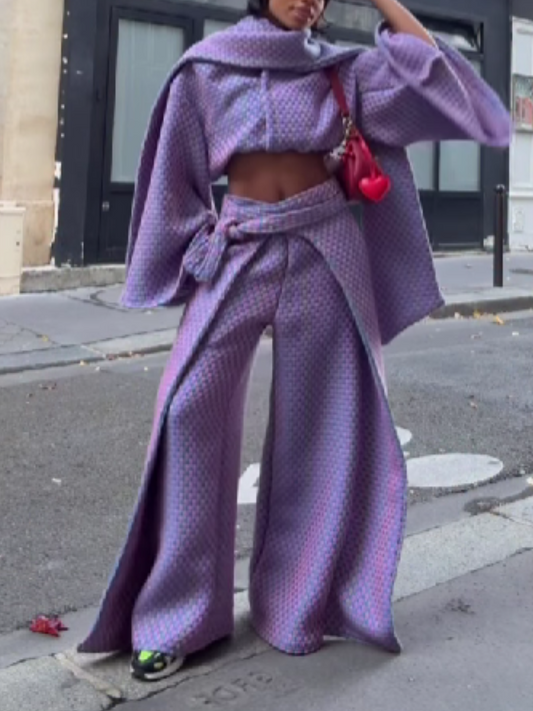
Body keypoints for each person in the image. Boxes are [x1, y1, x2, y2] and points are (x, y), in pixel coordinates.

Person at [79, 0, 510, 682]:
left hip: (325, 247)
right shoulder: (206, 69)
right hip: (239, 245)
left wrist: (384, 2)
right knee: (187, 409)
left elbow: (442, 86)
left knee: (320, 426)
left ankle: (294, 604)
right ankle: (177, 616)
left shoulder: (345, 71)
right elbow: (174, 173)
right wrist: (194, 246)